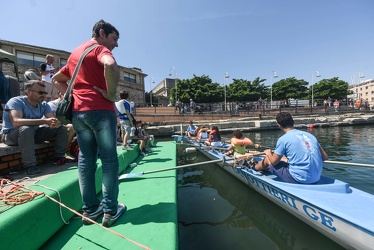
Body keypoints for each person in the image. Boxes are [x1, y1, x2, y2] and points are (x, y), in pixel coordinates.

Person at [51, 19, 125, 227]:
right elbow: (110, 65)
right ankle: (110, 211)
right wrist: (110, 95)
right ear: (102, 33)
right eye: (114, 38)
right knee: (109, 160)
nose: (116, 44)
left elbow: (57, 78)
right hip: (101, 110)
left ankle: (90, 209)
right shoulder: (99, 49)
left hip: (79, 114)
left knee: (86, 160)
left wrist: (73, 95)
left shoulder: (76, 53)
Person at [0, 80, 68, 175]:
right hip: (10, 136)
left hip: (32, 134)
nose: (44, 95)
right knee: (26, 129)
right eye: (40, 92)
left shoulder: (44, 105)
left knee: (61, 128)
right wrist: (44, 121)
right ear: (28, 92)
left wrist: (55, 122)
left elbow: (51, 119)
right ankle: (30, 166)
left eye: (45, 92)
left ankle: (59, 158)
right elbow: (16, 122)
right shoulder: (16, 102)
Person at [253, 112, 329, 184]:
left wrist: (269, 153)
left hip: (298, 179)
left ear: (279, 125)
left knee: (268, 160)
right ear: (293, 121)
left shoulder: (283, 139)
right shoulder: (310, 136)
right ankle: (264, 167)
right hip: (316, 178)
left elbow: (274, 162)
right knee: (283, 158)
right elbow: (325, 157)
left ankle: (253, 168)